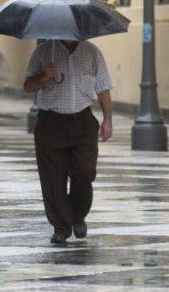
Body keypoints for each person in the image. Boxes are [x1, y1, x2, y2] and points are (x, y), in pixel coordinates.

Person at [23, 39, 113, 244]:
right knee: (53, 179)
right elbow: (27, 86)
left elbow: (103, 87)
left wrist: (107, 119)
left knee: (85, 172)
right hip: (51, 123)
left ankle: (77, 214)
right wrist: (43, 76)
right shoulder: (44, 52)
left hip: (82, 121)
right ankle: (61, 227)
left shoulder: (92, 52)